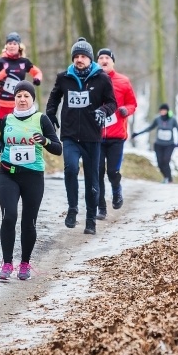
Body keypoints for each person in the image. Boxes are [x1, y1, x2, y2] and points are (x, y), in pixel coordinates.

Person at [45, 37, 116, 235]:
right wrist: (50, 113)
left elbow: (112, 103)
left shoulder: (101, 78)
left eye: (83, 56)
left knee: (92, 179)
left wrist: (103, 111)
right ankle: (72, 209)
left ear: (90, 59)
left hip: (92, 136)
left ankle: (91, 219)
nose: (79, 59)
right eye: (76, 56)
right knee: (70, 169)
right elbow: (54, 97)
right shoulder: (64, 77)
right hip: (69, 135)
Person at [0, 81, 61, 280]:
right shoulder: (7, 119)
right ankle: (6, 264)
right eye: (19, 96)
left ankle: (24, 264)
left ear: (32, 99)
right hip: (8, 174)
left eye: (26, 96)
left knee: (28, 222)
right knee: (9, 217)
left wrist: (45, 141)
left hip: (33, 176)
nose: (22, 99)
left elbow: (58, 148)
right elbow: (2, 142)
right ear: (15, 98)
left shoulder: (42, 119)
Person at [95, 48, 137, 219]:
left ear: (113, 62)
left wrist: (125, 110)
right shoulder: (92, 80)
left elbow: (133, 104)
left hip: (116, 136)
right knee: (97, 172)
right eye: (101, 58)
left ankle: (116, 188)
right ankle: (101, 208)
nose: (104, 60)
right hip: (96, 136)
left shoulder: (123, 81)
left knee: (112, 171)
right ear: (97, 62)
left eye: (107, 58)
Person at [0, 32, 43, 133]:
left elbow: (37, 72)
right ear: (6, 46)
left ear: (19, 46)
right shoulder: (0, 62)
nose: (12, 46)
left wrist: (37, 79)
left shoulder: (24, 62)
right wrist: (2, 74)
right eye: (9, 43)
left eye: (14, 43)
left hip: (19, 104)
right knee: (4, 134)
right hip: (2, 104)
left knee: (18, 132)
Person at [132, 103, 178, 184]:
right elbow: (150, 128)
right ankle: (166, 177)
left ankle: (170, 179)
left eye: (164, 110)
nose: (162, 112)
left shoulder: (172, 119)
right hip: (159, 145)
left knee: (166, 160)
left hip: (169, 145)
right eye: (161, 110)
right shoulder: (157, 119)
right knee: (160, 163)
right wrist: (138, 133)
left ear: (167, 111)